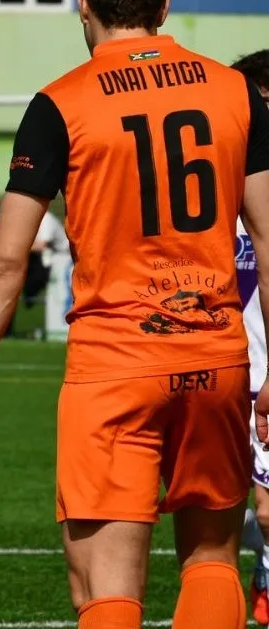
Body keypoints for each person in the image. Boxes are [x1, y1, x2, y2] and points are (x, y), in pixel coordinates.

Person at [0, 1, 269, 628]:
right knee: (212, 560)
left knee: (105, 587)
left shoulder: (62, 102)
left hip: (114, 363)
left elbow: (5, 261)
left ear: (84, 6)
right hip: (216, 358)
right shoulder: (234, 90)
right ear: (164, 6)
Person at [231, 49, 269, 628]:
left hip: (266, 378)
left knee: (265, 508)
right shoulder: (216, 191)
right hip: (219, 372)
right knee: (214, 508)